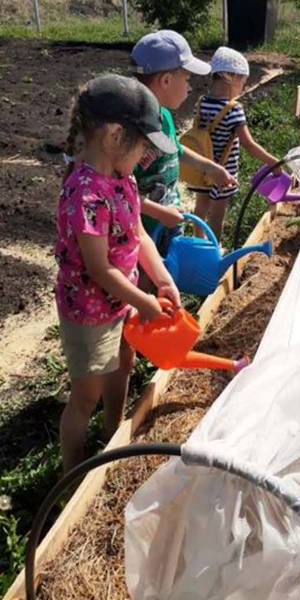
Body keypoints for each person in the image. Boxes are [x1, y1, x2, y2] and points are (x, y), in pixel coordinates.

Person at [55, 74, 182, 472]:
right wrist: (144, 301)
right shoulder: (85, 194)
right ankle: (73, 470)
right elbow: (99, 267)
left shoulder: (123, 181)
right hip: (90, 311)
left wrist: (161, 279)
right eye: (143, 143)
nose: (146, 154)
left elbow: (139, 234)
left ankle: (113, 435)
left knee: (123, 361)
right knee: (85, 396)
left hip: (120, 300)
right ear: (114, 136)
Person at [130, 29, 236, 252]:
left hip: (168, 219)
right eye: (187, 79)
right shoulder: (133, 133)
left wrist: (210, 167)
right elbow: (119, 192)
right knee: (146, 277)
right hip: (140, 230)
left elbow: (175, 150)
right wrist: (159, 212)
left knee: (167, 271)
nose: (190, 87)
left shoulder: (164, 117)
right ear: (166, 80)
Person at [187, 47, 281, 238]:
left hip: (202, 166)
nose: (243, 87)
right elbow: (248, 144)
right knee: (217, 214)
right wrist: (273, 162)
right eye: (243, 82)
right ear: (232, 78)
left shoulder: (202, 102)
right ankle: (214, 249)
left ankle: (199, 242)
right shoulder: (233, 109)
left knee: (201, 206)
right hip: (223, 172)